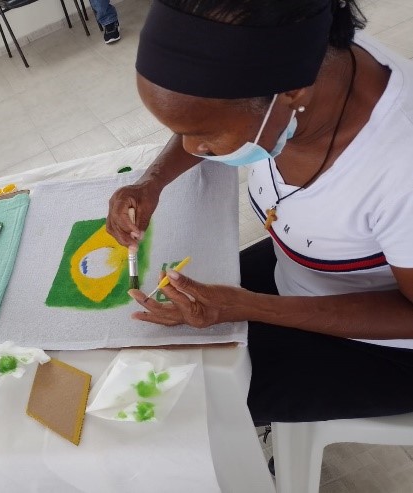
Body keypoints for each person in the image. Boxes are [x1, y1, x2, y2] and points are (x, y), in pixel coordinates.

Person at [106, 0, 413, 427]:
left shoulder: (401, 169)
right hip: (302, 271)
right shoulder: (302, 53)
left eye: (203, 135)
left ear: (291, 92)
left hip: (385, 348)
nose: (194, 149)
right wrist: (152, 181)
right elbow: (207, 110)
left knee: (180, 407)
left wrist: (249, 307)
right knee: (146, 340)